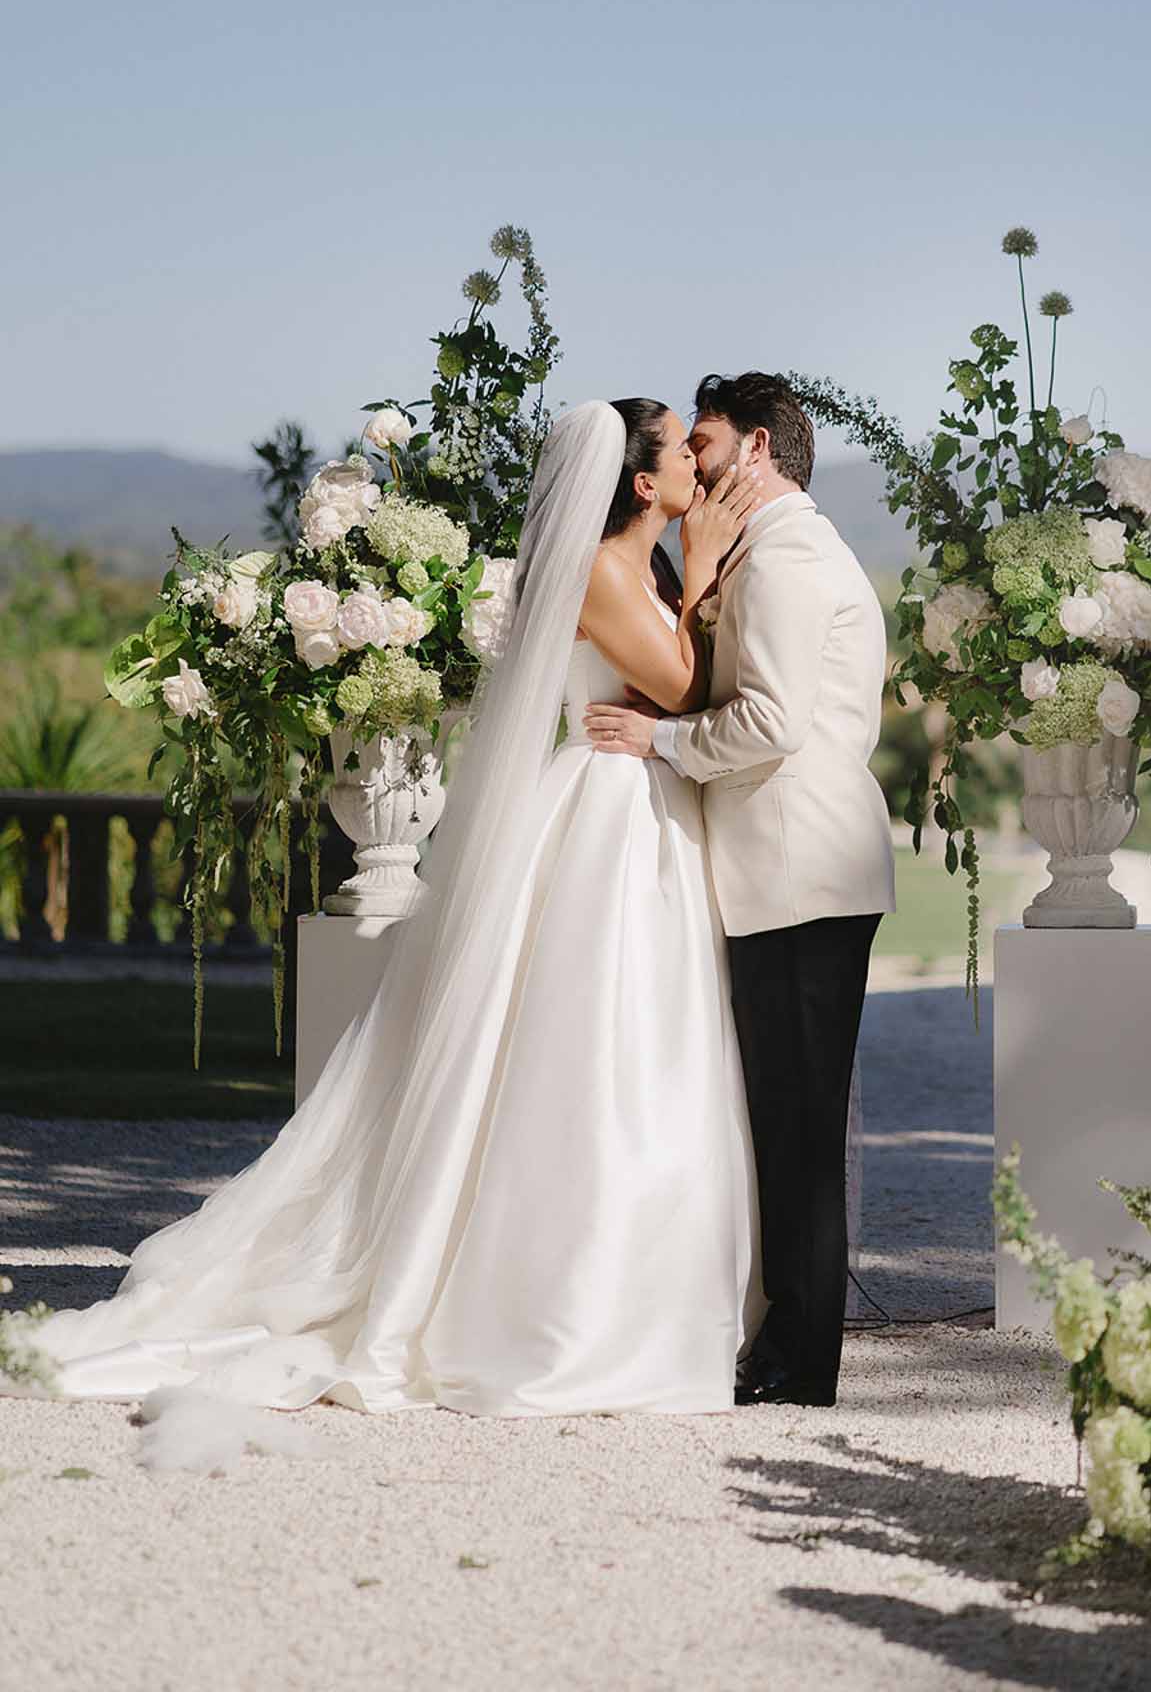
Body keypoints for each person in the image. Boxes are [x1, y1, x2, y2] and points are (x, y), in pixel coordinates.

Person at [6, 400, 766, 1418]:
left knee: (642, 1040)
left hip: (640, 803)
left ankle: (650, 1278)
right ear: (641, 482)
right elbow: (682, 683)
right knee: (594, 1038)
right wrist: (708, 565)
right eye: (679, 451)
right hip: (606, 813)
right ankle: (552, 1297)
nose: (692, 468)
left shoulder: (650, 567)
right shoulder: (602, 568)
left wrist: (692, 572)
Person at [586, 372, 895, 1408]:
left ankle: (799, 1365)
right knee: (783, 1122)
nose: (697, 463)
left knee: (801, 1132)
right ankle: (780, 1344)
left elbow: (769, 720)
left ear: (755, 448)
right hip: (784, 873)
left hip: (799, 874)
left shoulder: (792, 556)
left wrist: (660, 738)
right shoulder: (760, 554)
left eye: (706, 442)